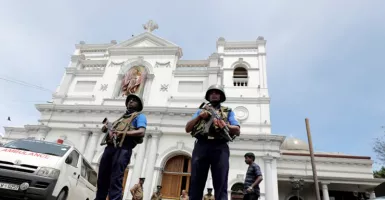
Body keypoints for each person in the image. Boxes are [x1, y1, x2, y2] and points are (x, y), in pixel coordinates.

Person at [185, 84, 241, 200]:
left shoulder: (228, 111)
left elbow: (237, 130)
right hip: (202, 145)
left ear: (221, 96)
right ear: (208, 96)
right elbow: (188, 128)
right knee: (196, 181)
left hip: (220, 147)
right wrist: (199, 117)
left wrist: (224, 125)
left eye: (217, 92)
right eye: (212, 93)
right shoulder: (201, 110)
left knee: (221, 182)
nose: (214, 94)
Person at [95, 94, 147, 200]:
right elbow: (110, 131)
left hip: (123, 148)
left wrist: (122, 133)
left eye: (134, 100)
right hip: (110, 149)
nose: (131, 101)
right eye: (129, 100)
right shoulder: (121, 118)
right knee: (102, 179)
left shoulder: (140, 116)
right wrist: (107, 128)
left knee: (115, 179)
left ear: (139, 105)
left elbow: (141, 132)